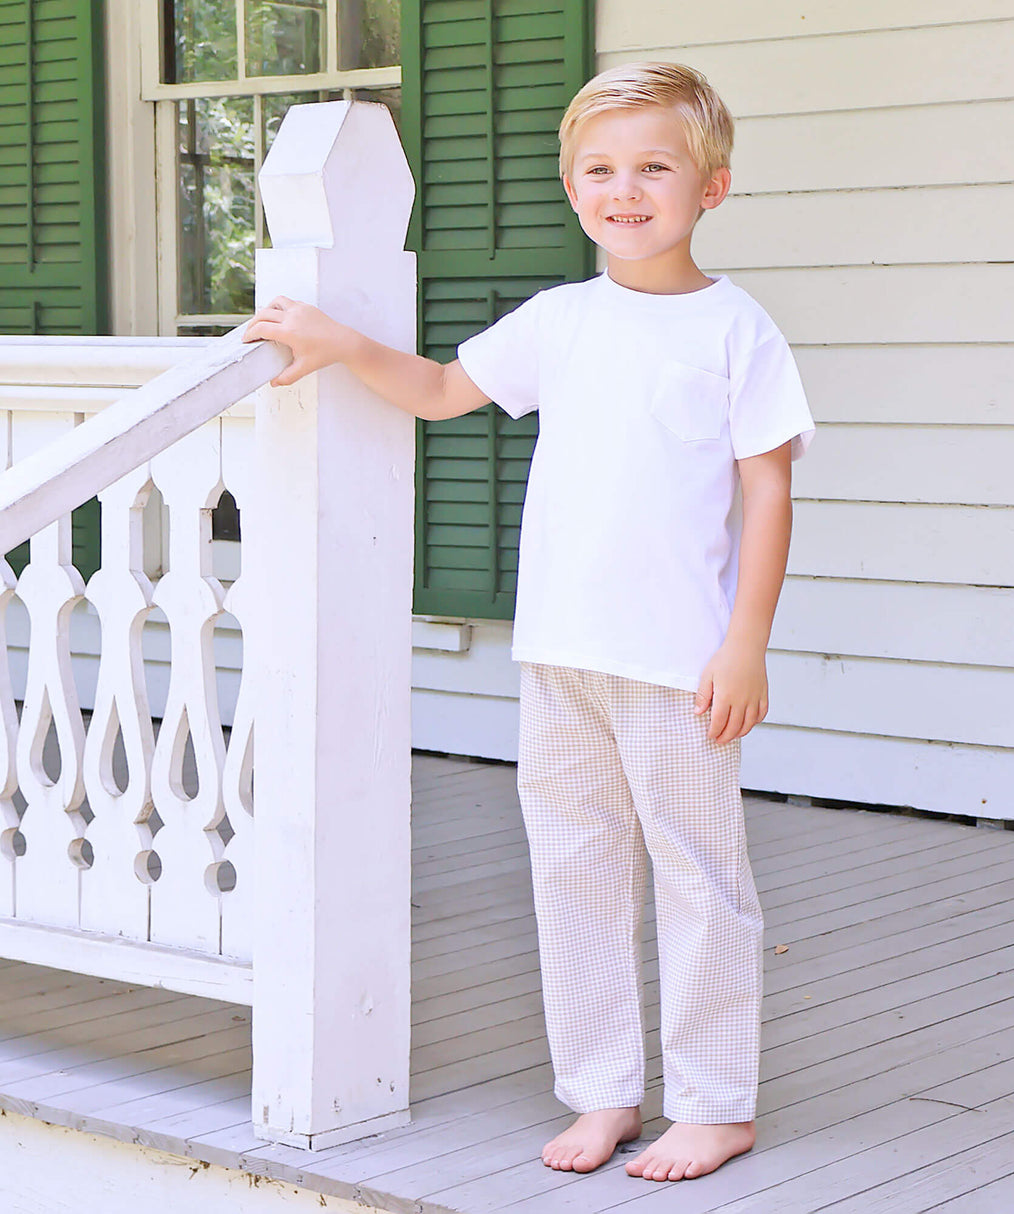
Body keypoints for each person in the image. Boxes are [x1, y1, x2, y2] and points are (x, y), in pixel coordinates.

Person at [244, 61, 813, 1184]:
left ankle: (714, 1099)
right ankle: (601, 1088)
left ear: (713, 186)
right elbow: (442, 389)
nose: (625, 188)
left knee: (698, 877)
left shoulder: (737, 331)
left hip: (676, 667)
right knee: (575, 872)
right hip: (559, 660)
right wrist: (339, 341)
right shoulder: (559, 320)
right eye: (599, 168)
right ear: (569, 187)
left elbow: (768, 491)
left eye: (654, 166)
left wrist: (744, 641)